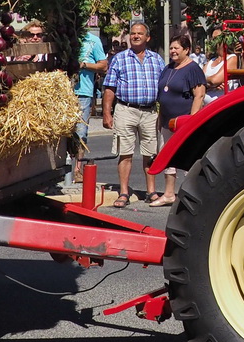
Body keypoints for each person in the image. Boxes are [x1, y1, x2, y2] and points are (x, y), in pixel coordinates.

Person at [101, 21, 165, 207]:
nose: (135, 36)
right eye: (133, 33)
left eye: (140, 33)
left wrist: (163, 113)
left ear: (148, 37)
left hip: (150, 112)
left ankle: (151, 191)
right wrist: (107, 113)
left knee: (150, 154)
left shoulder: (157, 59)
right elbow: (109, 88)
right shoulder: (120, 59)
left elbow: (164, 87)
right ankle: (123, 192)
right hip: (125, 110)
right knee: (125, 153)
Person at [149, 32, 207, 207]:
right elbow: (163, 94)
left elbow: (200, 94)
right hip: (167, 120)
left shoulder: (193, 69)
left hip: (184, 122)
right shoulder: (169, 68)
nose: (173, 51)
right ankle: (168, 194)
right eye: (171, 48)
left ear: (186, 50)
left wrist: (192, 120)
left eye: (176, 48)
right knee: (169, 158)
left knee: (189, 159)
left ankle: (194, 196)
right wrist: (160, 120)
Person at [72, 23, 108, 186]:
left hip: (83, 92)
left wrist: (84, 65)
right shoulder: (64, 39)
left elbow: (103, 65)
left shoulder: (93, 40)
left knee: (80, 132)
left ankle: (77, 170)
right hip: (62, 90)